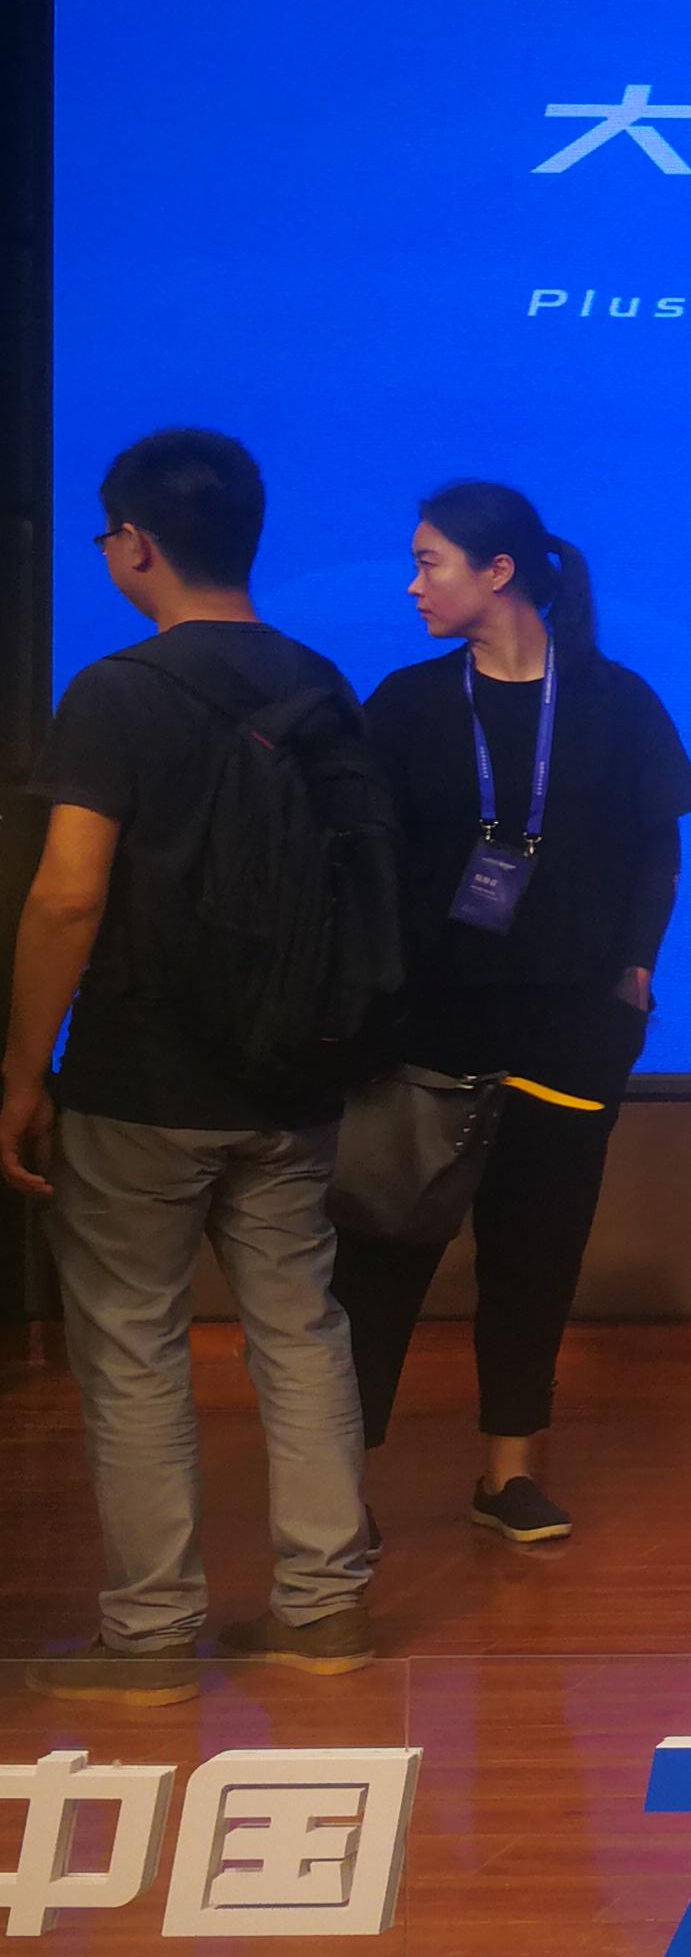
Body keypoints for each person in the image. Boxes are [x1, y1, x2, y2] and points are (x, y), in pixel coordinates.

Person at [4, 430, 387, 1699]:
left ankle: (152, 1632)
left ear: (135, 545)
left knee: (132, 1345)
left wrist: (23, 1071)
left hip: (142, 1079)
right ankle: (325, 1611)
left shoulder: (115, 693)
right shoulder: (322, 685)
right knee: (301, 1333)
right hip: (294, 1075)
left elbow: (69, 894)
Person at [332, 482, 691, 1548]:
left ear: (497, 573)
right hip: (428, 1027)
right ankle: (336, 1489)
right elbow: (360, 861)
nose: (414, 586)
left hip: (570, 1027)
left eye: (430, 563)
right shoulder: (407, 703)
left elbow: (656, 851)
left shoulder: (614, 699)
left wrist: (633, 972)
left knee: (536, 1251)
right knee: (382, 1257)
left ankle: (507, 1472)